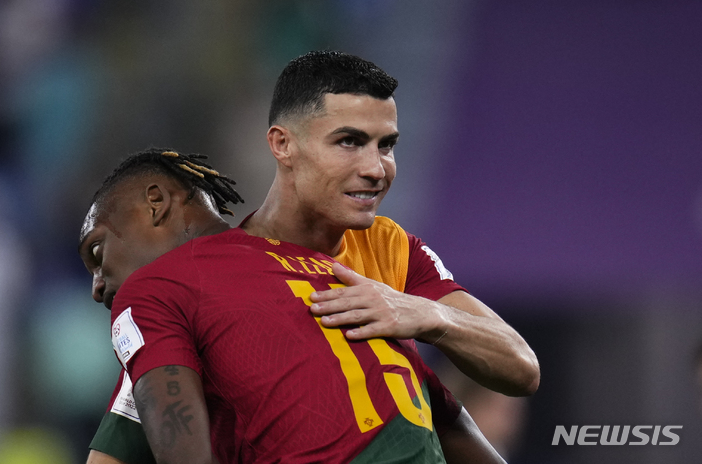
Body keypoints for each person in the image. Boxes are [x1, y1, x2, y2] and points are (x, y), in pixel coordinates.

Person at [87, 50, 538, 463]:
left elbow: (519, 368)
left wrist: (424, 314)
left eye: (386, 145)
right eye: (349, 141)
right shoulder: (189, 289)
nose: (375, 168)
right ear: (282, 144)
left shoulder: (392, 248)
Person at [79, 149, 506, 463]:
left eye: (97, 252)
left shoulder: (153, 293)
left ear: (156, 202)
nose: (98, 287)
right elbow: (449, 422)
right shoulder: (323, 273)